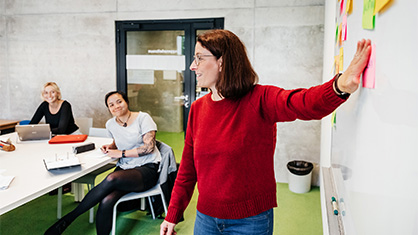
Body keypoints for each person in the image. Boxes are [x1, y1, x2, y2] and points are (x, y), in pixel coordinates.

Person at [160, 29, 371, 235]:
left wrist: (340, 85)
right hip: (206, 219)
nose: (192, 66)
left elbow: (303, 102)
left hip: (250, 221)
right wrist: (172, 214)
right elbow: (187, 169)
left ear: (222, 62)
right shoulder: (198, 109)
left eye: (199, 58)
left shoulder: (259, 99)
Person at [45, 91, 162, 235]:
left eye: (119, 102)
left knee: (111, 178)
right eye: (111, 105)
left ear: (126, 102)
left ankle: (68, 219)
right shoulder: (110, 124)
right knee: (107, 200)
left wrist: (121, 153)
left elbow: (149, 148)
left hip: (147, 169)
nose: (116, 106)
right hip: (125, 168)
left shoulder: (143, 118)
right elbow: (119, 140)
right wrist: (112, 146)